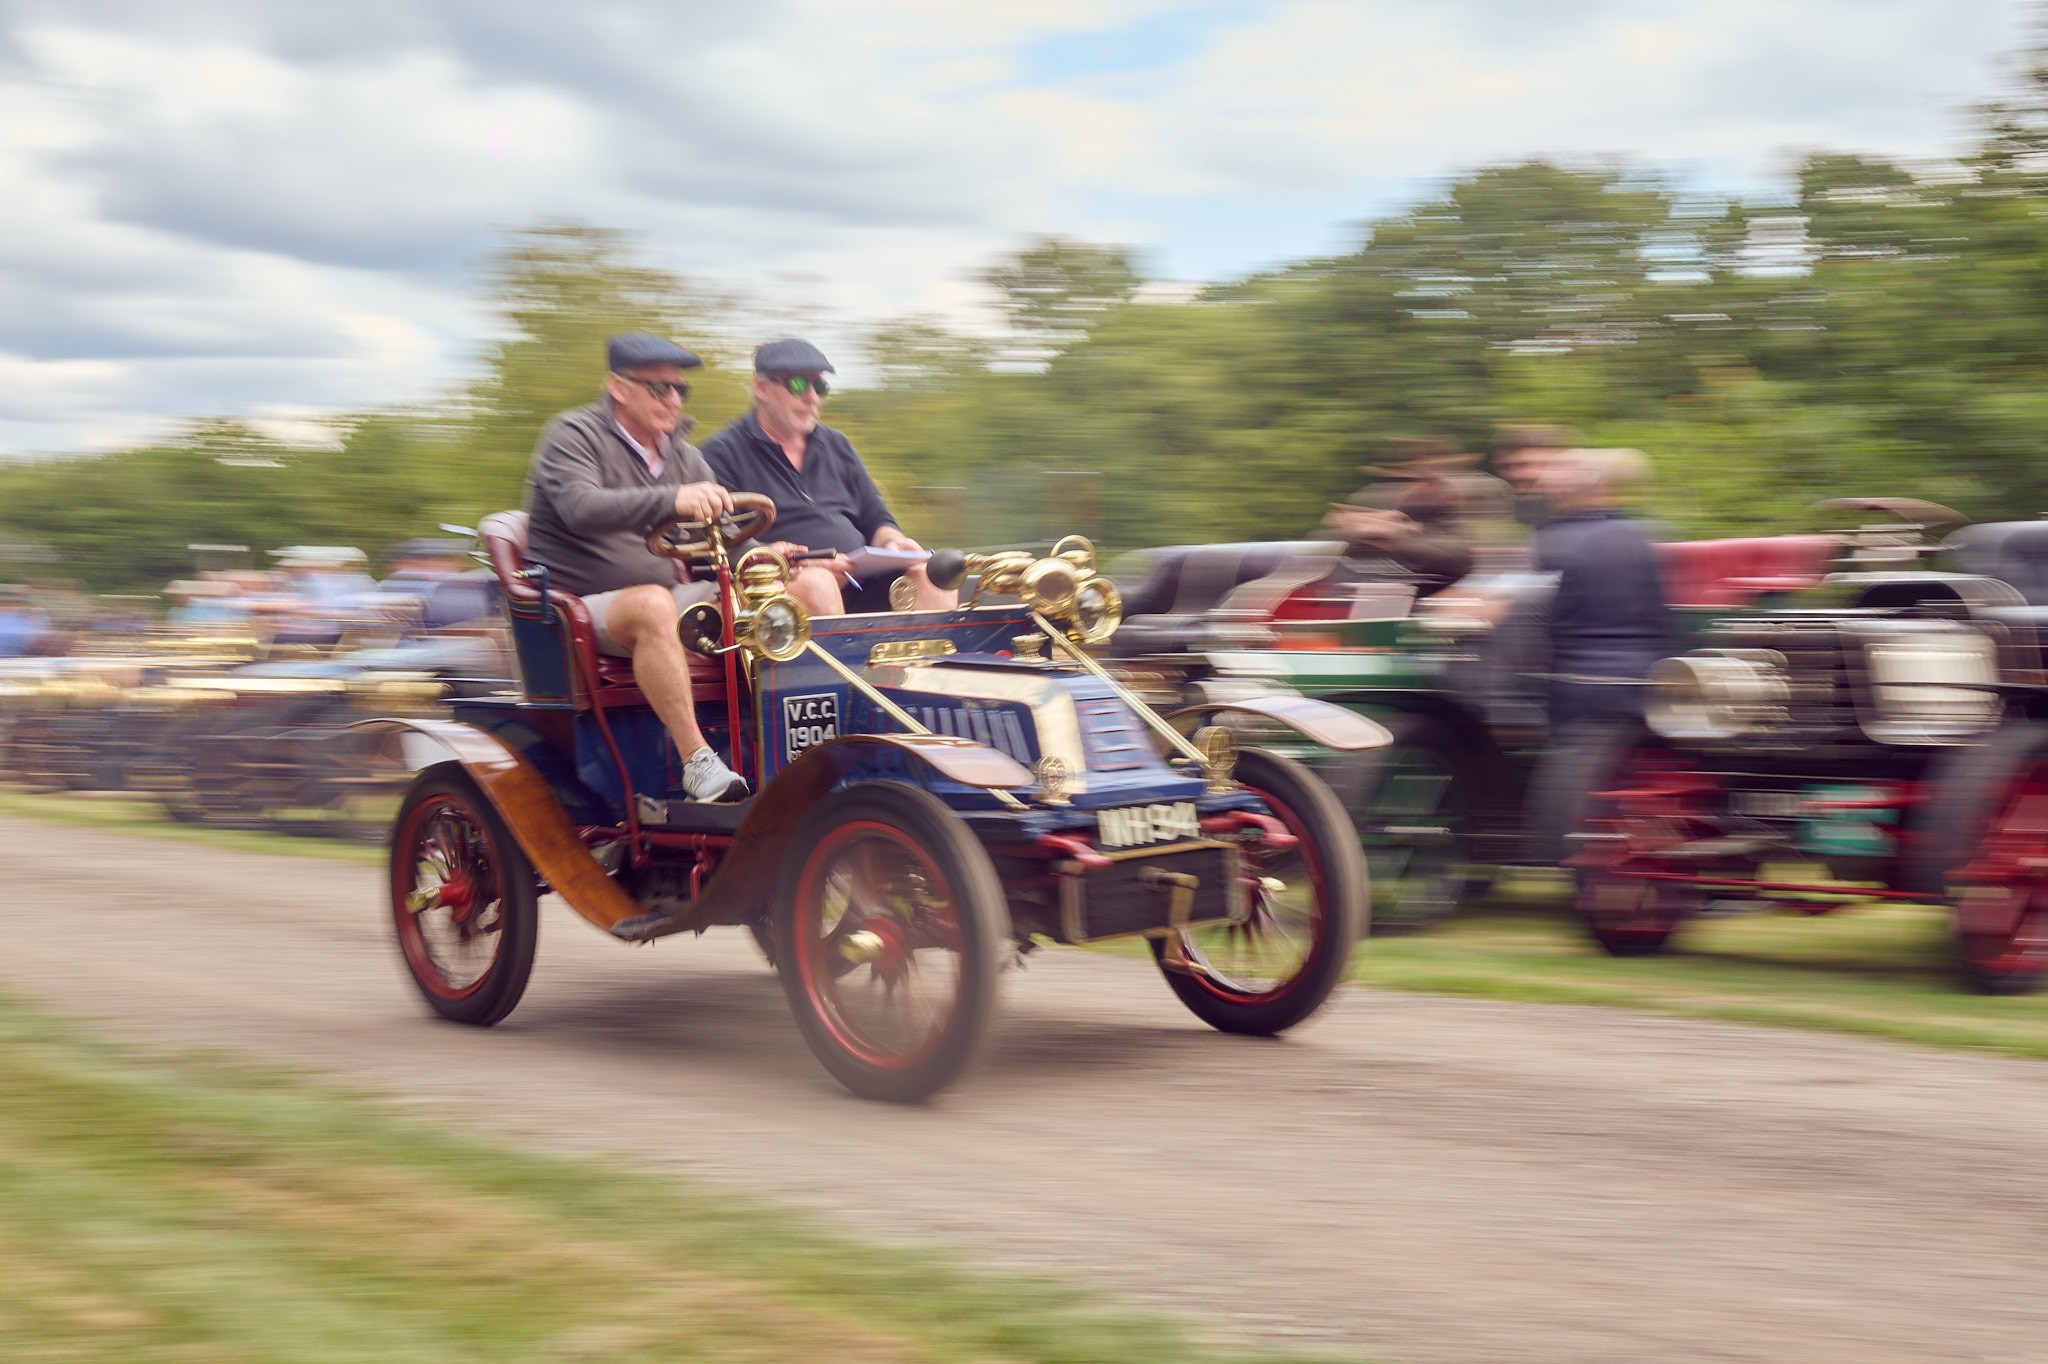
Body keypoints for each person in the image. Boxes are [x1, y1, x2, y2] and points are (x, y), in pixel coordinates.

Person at [523, 333, 749, 803]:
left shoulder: (683, 455)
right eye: (658, 388)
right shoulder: (571, 434)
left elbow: (721, 528)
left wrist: (771, 553)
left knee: (764, 598)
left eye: (679, 390)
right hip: (580, 608)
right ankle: (697, 762)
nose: (673, 399)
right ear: (617, 386)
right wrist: (672, 498)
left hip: (664, 597)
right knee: (652, 604)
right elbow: (579, 507)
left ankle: (775, 745)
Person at [700, 339, 954, 614]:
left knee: (935, 573)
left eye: (820, 386)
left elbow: (877, 519)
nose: (812, 397)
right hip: (782, 589)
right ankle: (838, 657)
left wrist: (892, 543)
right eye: (798, 385)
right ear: (761, 388)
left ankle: (919, 658)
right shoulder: (722, 454)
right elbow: (723, 548)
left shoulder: (837, 445)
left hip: (861, 581)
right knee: (818, 583)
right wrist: (794, 563)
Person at [1529, 448, 1673, 731]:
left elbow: (1538, 610)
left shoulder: (1558, 540)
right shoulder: (1647, 534)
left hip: (1575, 686)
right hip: (1650, 677)